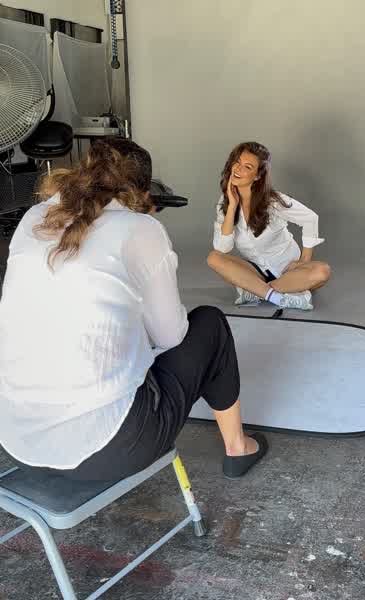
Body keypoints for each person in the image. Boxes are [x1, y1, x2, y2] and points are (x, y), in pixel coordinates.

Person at [0, 137, 267, 482]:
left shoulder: (34, 216)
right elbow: (171, 336)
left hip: (17, 442)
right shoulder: (141, 228)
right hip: (110, 449)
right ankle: (238, 447)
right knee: (210, 325)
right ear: (143, 192)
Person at [207, 142, 331, 309]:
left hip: (289, 271)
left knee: (322, 271)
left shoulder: (273, 201)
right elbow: (223, 248)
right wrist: (232, 207)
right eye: (236, 162)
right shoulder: (225, 202)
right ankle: (278, 296)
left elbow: (310, 218)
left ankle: (256, 291)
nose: (238, 169)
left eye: (247, 167)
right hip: (256, 272)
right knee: (214, 258)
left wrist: (304, 260)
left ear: (257, 176)